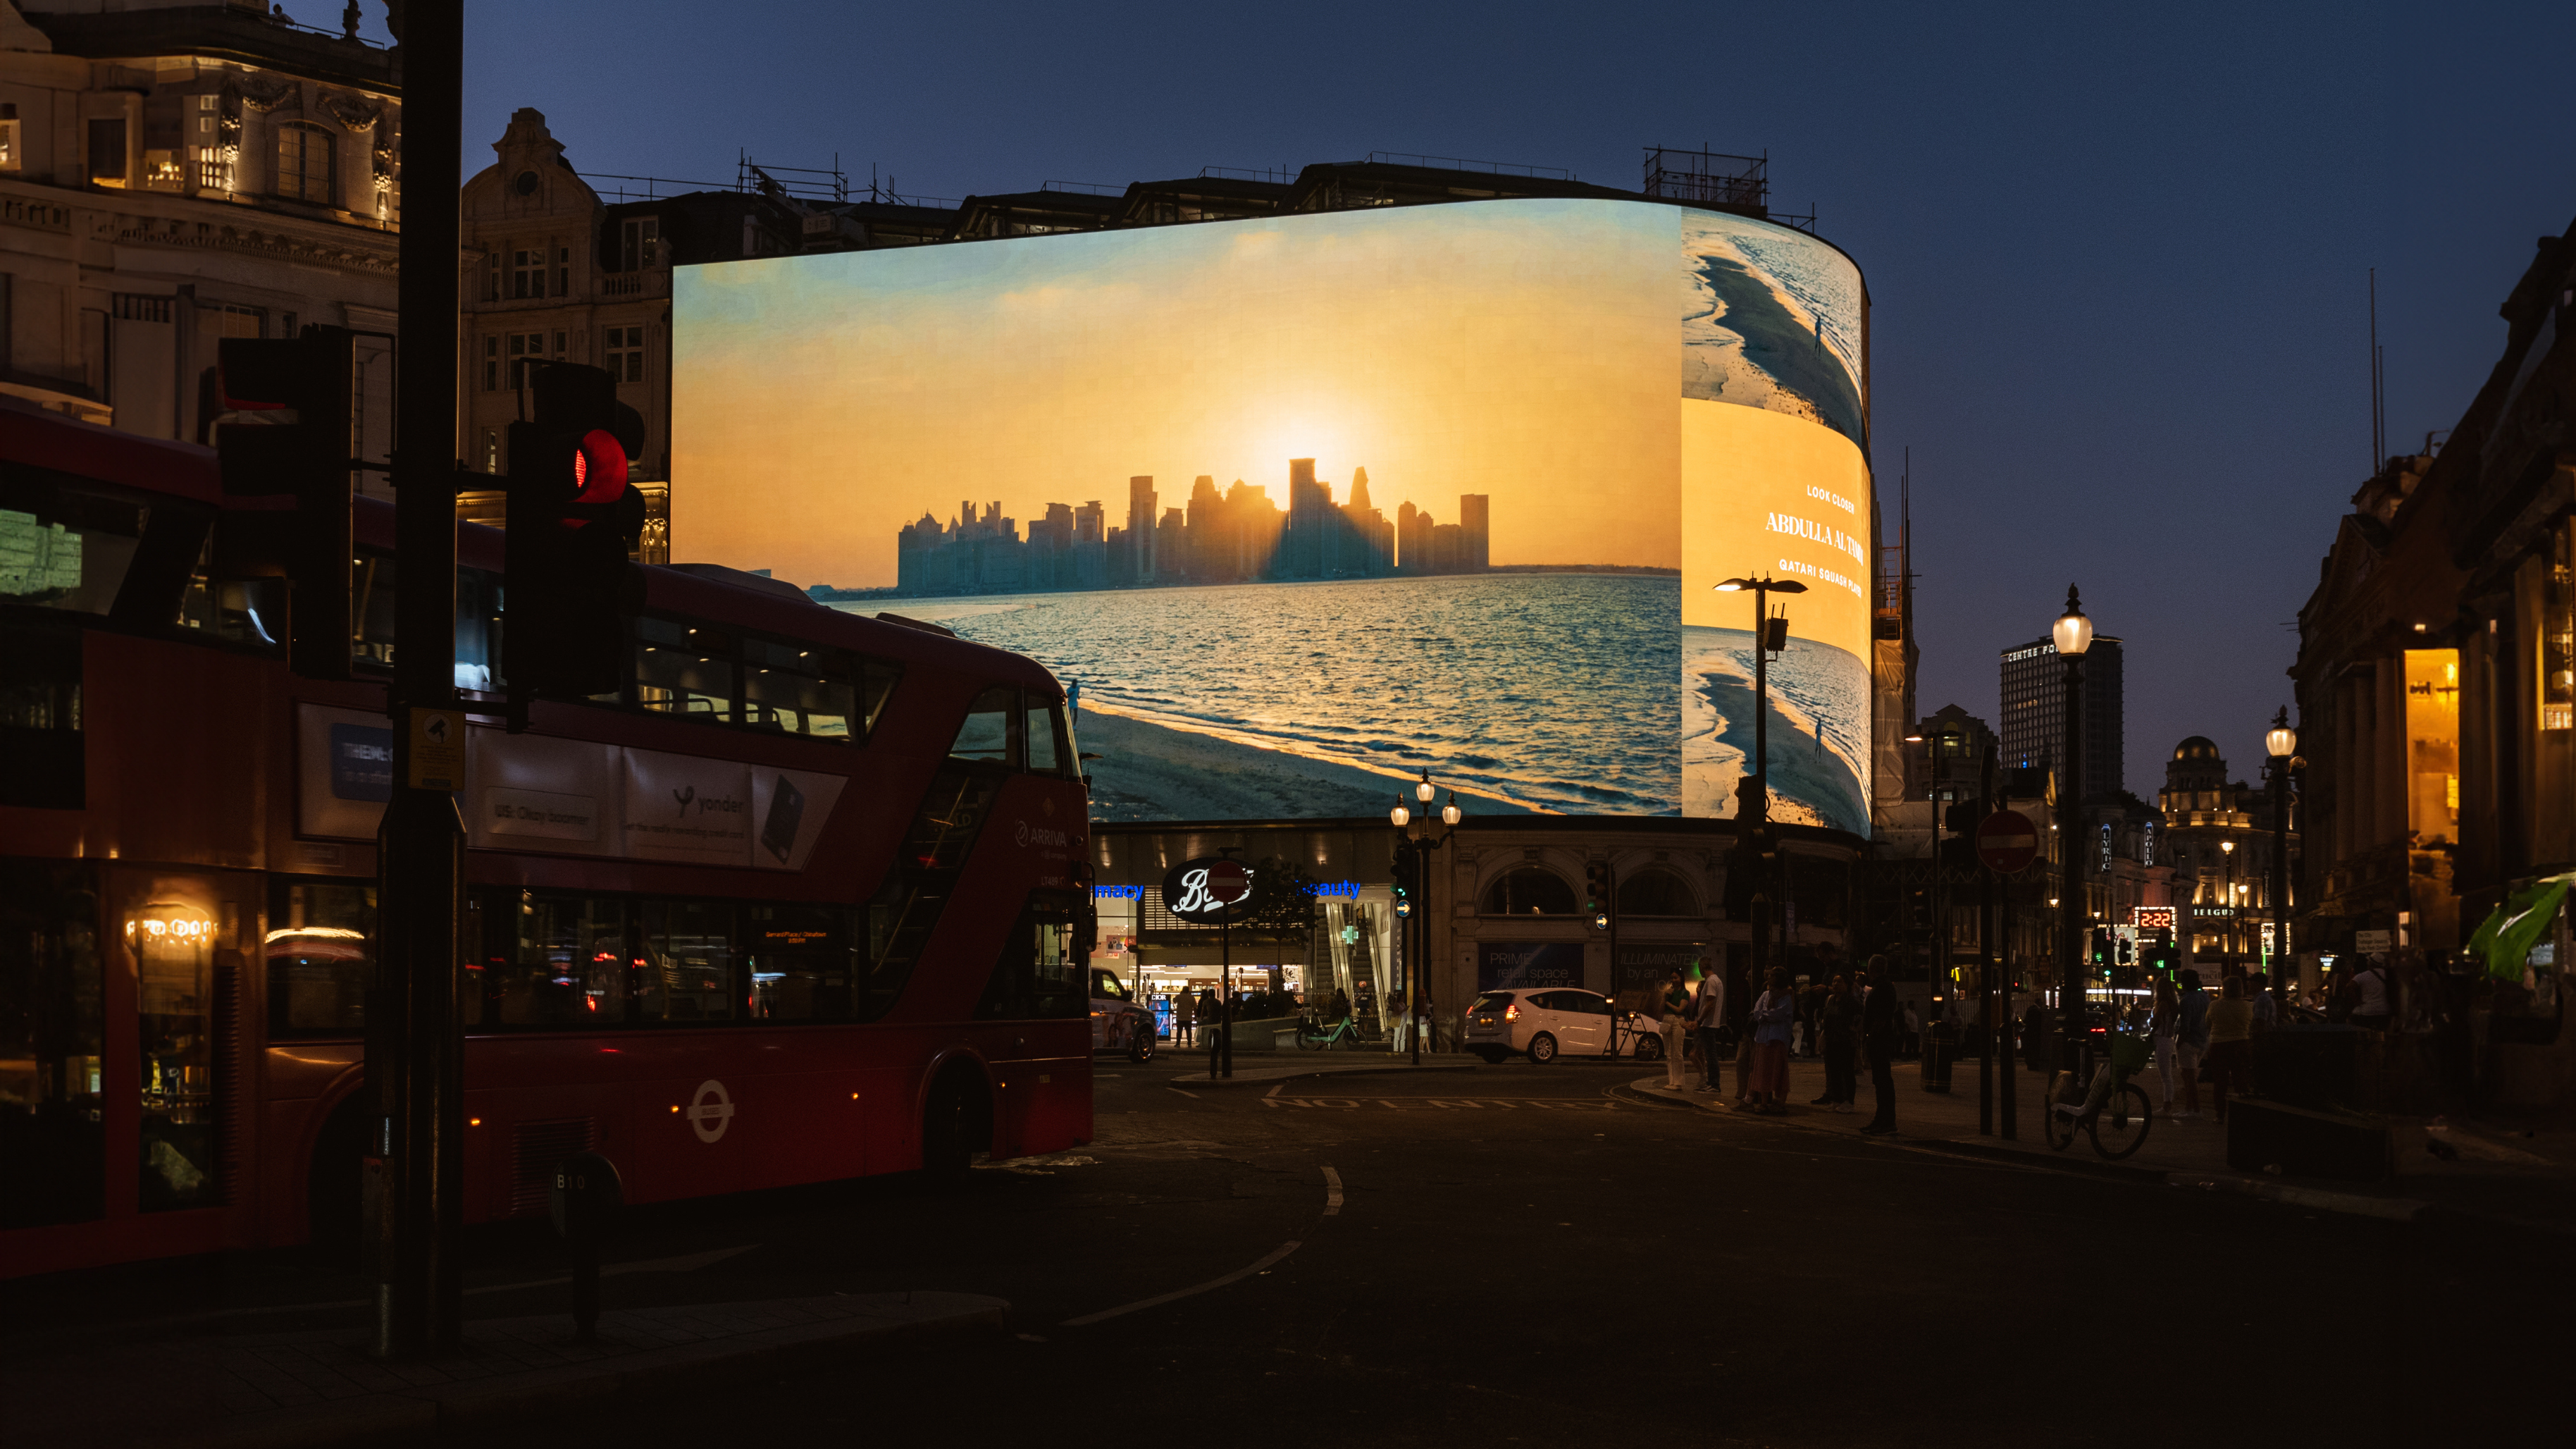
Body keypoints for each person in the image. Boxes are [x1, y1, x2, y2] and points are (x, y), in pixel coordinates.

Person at [2202, 975, 2256, 1122]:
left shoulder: (2215, 1005)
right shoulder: (2248, 1006)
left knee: (2220, 1082)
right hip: (2241, 1043)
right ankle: (2242, 1113)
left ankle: (2220, 1114)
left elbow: (2208, 1024)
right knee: (2241, 1079)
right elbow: (2252, 1025)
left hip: (2219, 1044)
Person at [1747, 969, 1795, 1112]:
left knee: (1778, 1070)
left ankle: (1779, 1102)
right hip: (1763, 1037)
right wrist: (1766, 1015)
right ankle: (1763, 1103)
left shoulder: (1786, 997)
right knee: (1763, 1070)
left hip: (1778, 1038)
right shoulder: (1765, 995)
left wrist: (1764, 1016)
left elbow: (1779, 1014)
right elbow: (1757, 1012)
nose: (1769, 977)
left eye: (1772, 975)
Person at [1860, 958, 1899, 1135]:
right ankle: (1883, 1118)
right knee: (1881, 1080)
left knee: (1882, 1080)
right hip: (1881, 1038)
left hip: (1880, 1039)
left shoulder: (1882, 988)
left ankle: (1885, 1119)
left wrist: (1870, 1036)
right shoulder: (1885, 986)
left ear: (1871, 969)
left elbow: (1880, 1017)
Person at [1814, 973, 1859, 1111]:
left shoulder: (1852, 1001)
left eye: (1839, 982)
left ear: (1847, 985)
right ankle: (1837, 1099)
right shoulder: (1830, 1000)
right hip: (1831, 1040)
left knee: (1847, 1072)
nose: (1835, 984)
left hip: (1846, 1041)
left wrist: (1853, 1031)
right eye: (1834, 981)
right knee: (1834, 1072)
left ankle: (1849, 1101)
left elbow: (1858, 1019)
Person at [2172, 969, 2210, 1119]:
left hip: (2188, 1042)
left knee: (2189, 1078)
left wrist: (2178, 1044)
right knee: (2190, 1075)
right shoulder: (2205, 998)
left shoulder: (2186, 1000)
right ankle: (2190, 1107)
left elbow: (2185, 1026)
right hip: (2202, 1041)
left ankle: (2195, 1109)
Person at [1692, 962, 1728, 1092]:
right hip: (1710, 1023)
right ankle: (1711, 1083)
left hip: (1708, 1023)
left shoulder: (1711, 982)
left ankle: (1714, 1084)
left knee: (1711, 1055)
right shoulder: (1717, 981)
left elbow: (1710, 1004)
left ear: (1702, 967)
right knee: (1710, 1054)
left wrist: (1700, 1020)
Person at [2148, 978, 2179, 1111]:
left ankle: (2167, 1104)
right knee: (2166, 1074)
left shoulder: (2163, 1004)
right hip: (2167, 1038)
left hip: (2162, 1038)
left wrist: (2152, 1019)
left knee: (2165, 1074)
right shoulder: (2173, 1004)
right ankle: (2167, 1103)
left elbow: (2153, 1023)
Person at [1659, 970, 1692, 1090]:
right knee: (1669, 1054)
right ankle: (1671, 1081)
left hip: (1678, 1021)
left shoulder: (1685, 993)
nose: (1673, 980)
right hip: (1667, 1021)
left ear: (1681, 979)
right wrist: (1665, 997)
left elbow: (1679, 1010)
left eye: (1676, 978)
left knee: (1677, 1053)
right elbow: (1661, 1009)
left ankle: (1679, 1082)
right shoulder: (1669, 993)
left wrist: (1667, 1002)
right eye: (1671, 978)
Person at [2348, 959, 2391, 1032]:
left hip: (2367, 1011)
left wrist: (2357, 1002)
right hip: (2385, 1010)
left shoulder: (2363, 975)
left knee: (2351, 1020)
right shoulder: (2389, 975)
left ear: (2370, 963)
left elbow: (2349, 987)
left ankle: (2362, 1039)